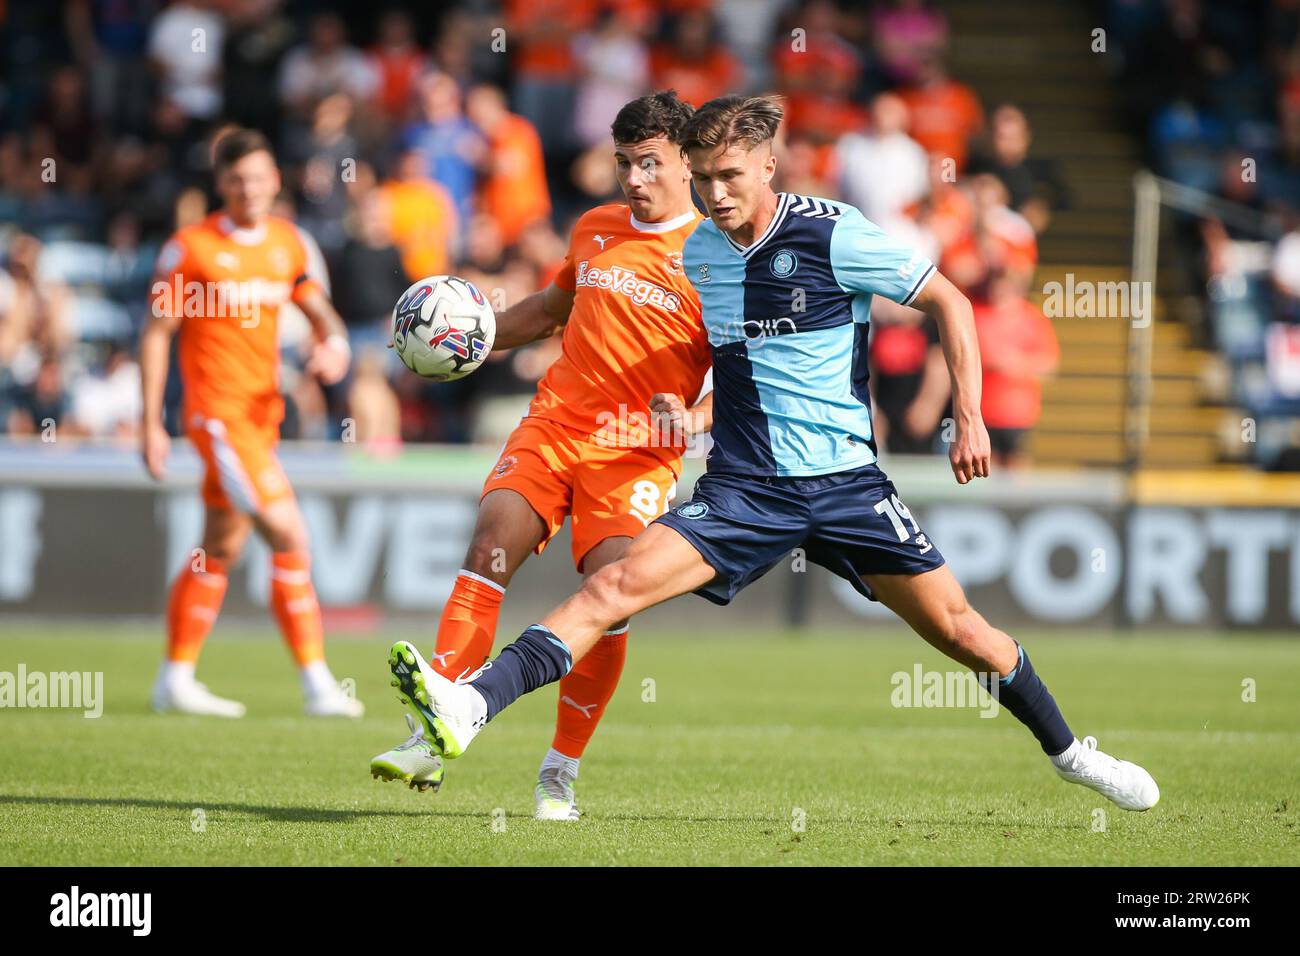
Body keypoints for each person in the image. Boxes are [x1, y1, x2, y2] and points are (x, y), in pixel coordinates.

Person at [387, 95, 1161, 814]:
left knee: (963, 632)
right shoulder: (700, 259)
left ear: (766, 164)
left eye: (729, 177)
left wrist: (969, 412)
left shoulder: (832, 233)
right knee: (611, 588)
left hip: (847, 487)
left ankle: (1070, 753)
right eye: (706, 179)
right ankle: (470, 706)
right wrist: (686, 417)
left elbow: (949, 301)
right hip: (746, 490)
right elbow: (720, 359)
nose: (717, 195)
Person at [368, 92, 714, 821]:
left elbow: (740, 373)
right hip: (555, 424)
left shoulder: (716, 257)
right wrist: (464, 334)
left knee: (611, 591)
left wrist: (695, 417)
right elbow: (553, 308)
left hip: (636, 452)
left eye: (649, 162)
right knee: (492, 540)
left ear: (686, 161)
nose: (634, 179)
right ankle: (432, 731)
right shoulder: (595, 228)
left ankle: (558, 772)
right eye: (624, 162)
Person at [139, 128, 361, 719]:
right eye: (237, 179)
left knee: (219, 544)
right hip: (217, 417)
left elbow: (317, 309)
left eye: (259, 177)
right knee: (289, 533)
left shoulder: (289, 243)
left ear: (274, 181)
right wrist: (150, 423)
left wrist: (334, 344)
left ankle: (175, 678)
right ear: (222, 184)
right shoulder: (189, 248)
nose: (250, 189)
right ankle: (317, 684)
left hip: (263, 419)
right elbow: (157, 334)